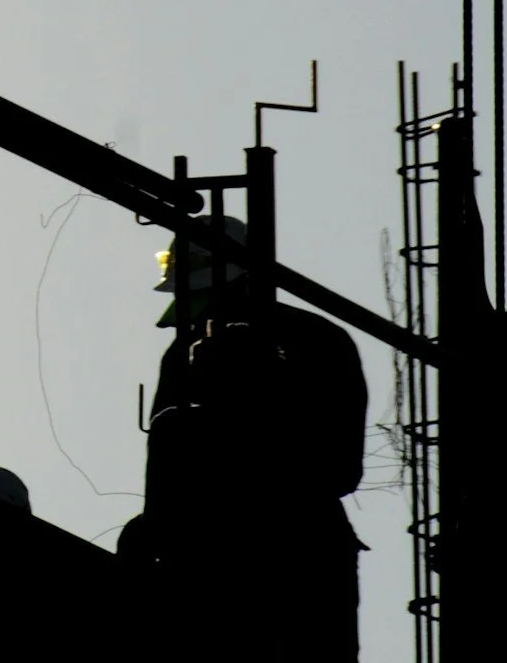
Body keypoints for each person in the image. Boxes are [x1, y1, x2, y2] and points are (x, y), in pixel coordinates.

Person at [123, 216, 368, 660]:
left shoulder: (315, 344)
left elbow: (340, 469)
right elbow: (164, 466)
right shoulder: (183, 353)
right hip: (208, 559)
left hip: (299, 563)